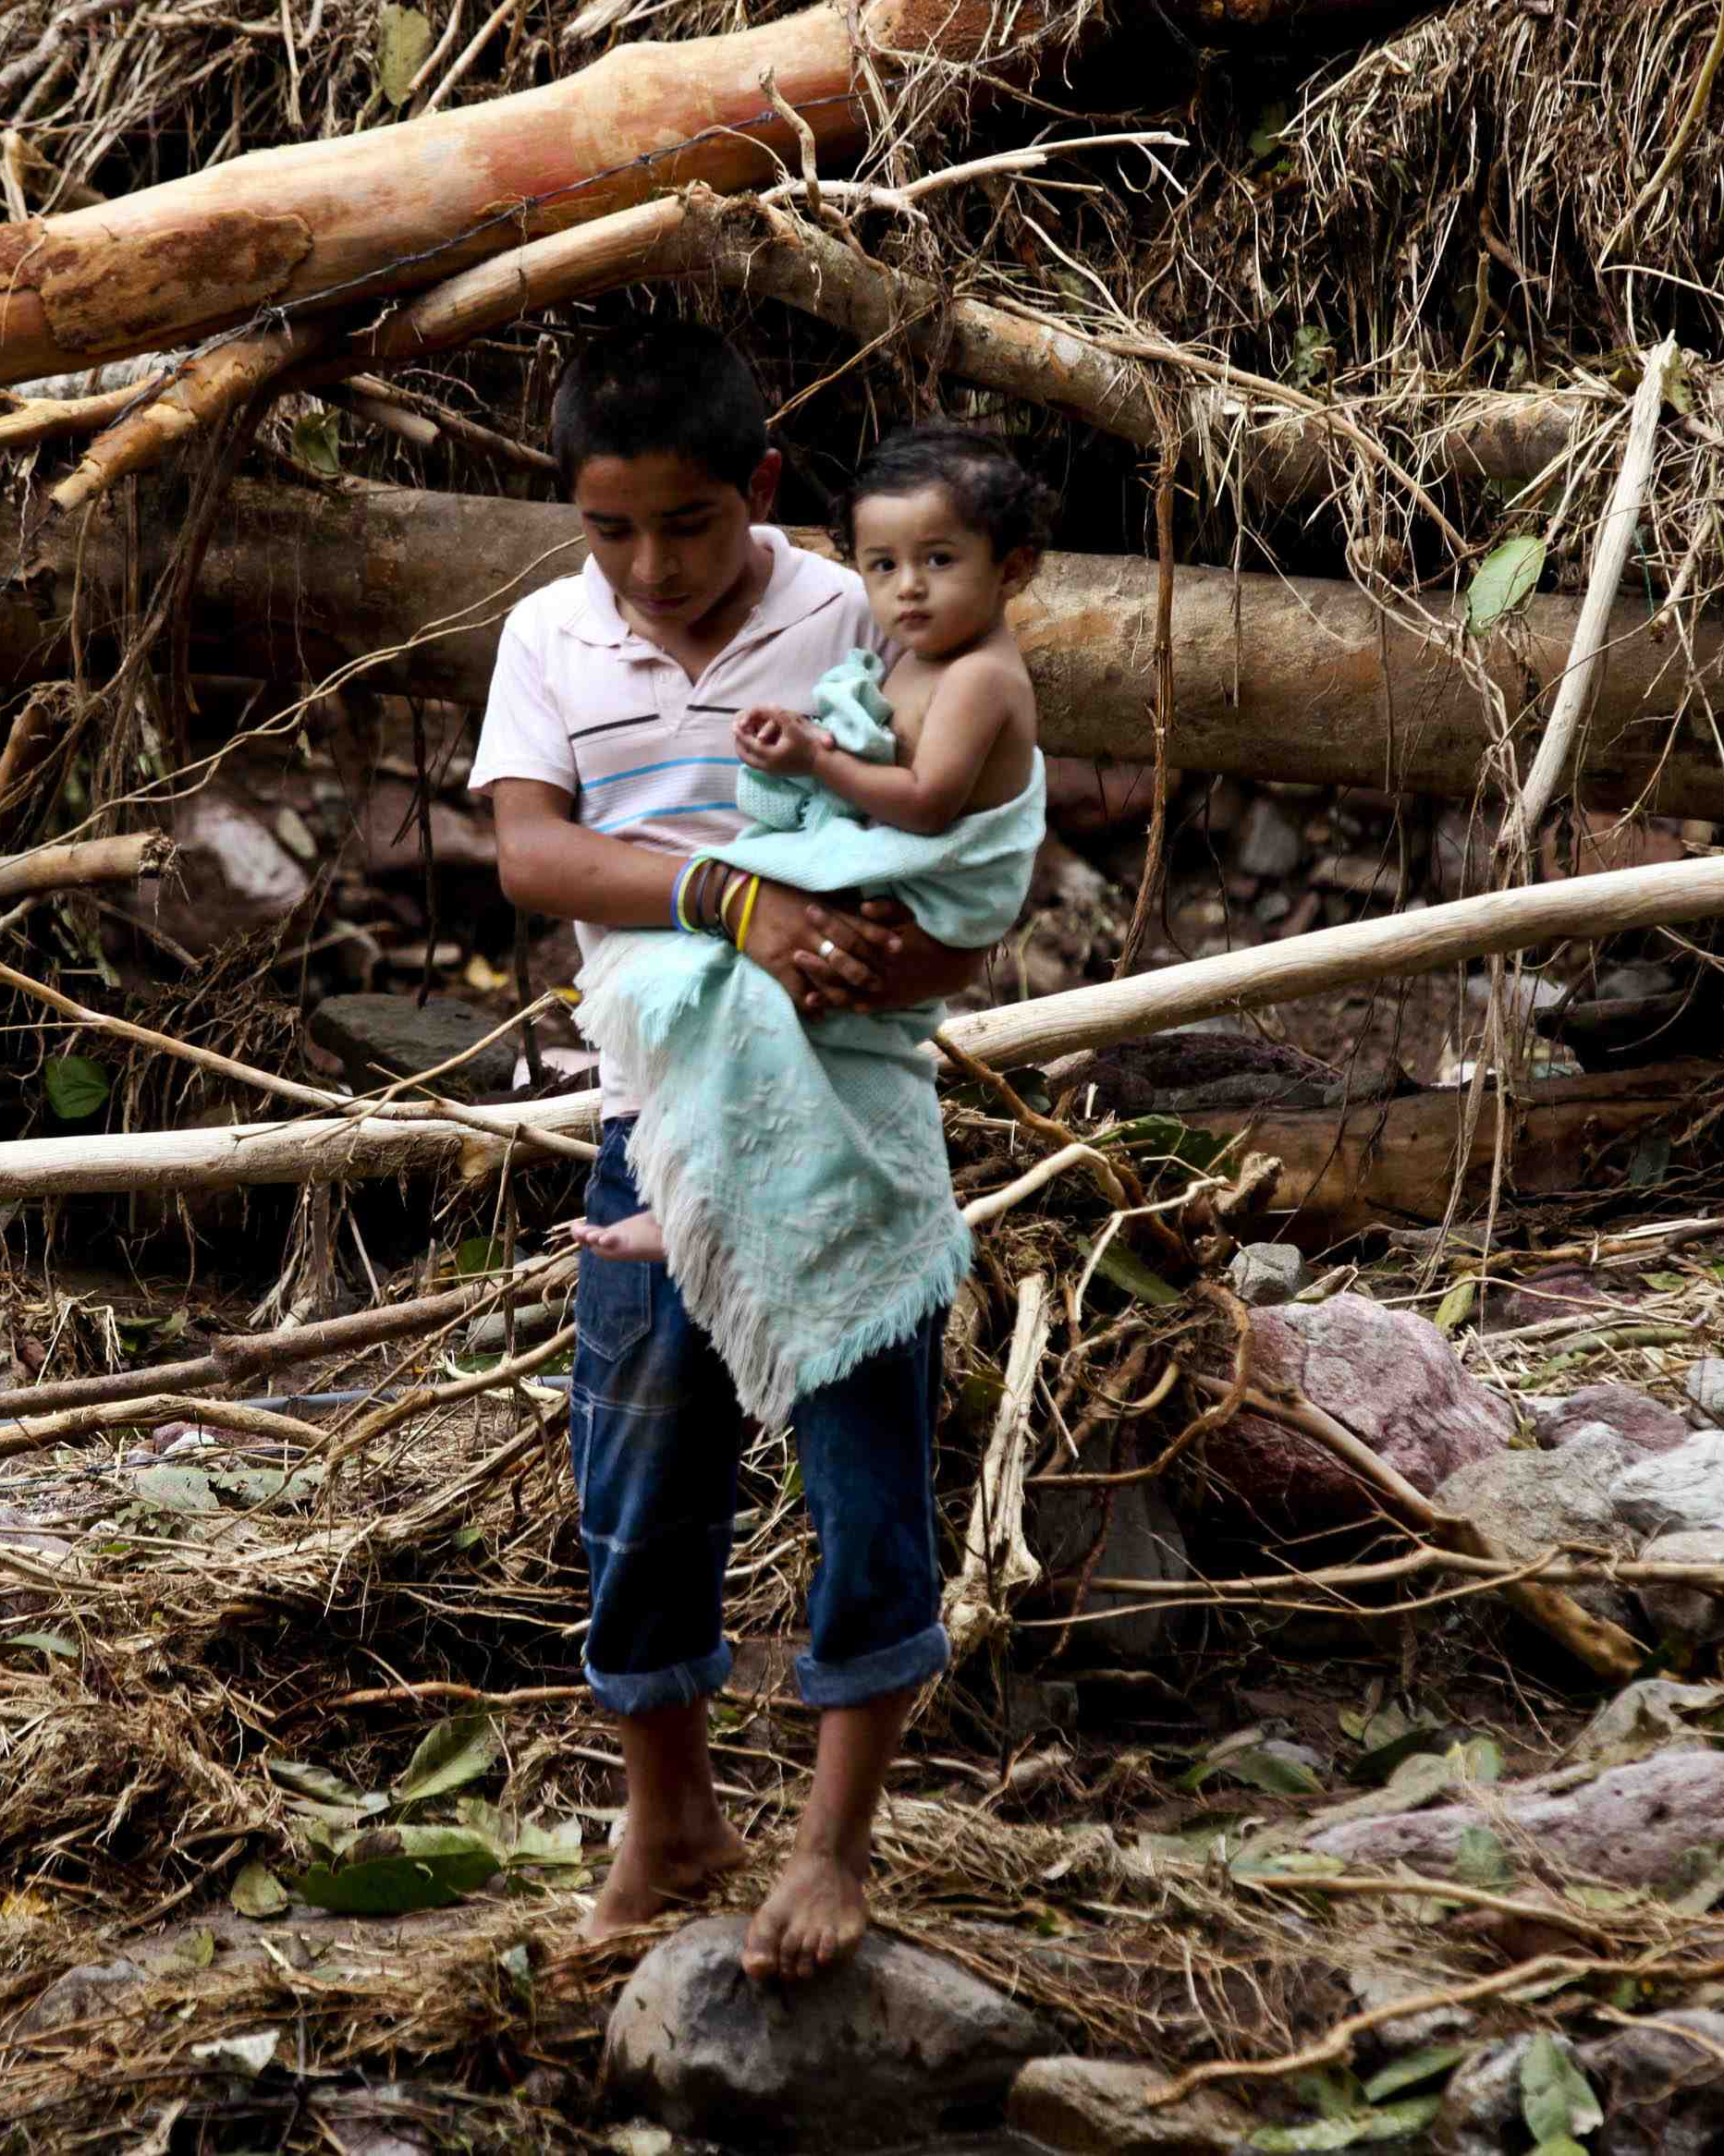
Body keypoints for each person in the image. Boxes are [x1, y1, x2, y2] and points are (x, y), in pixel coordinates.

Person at [470, 322, 996, 1982]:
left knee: (863, 1462)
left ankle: (835, 1841)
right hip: (653, 1130)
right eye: (610, 531)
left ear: (764, 490)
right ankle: (670, 1817)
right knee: (641, 1474)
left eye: (687, 526)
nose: (650, 568)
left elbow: (961, 814)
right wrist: (726, 897)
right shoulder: (551, 636)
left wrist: (908, 954)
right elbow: (535, 857)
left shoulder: (854, 610)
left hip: (842, 1108)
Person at [571, 421, 1050, 1266]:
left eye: (939, 561)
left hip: (936, 896)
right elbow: (878, 742)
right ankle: (707, 1202)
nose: (908, 590)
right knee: (757, 1008)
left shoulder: (977, 675)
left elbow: (928, 804)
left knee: (759, 1010)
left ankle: (701, 1210)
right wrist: (804, 736)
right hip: (895, 882)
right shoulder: (917, 655)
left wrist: (817, 761)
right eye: (882, 565)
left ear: (1011, 568)